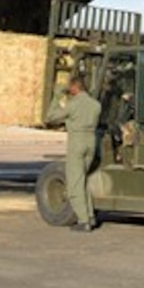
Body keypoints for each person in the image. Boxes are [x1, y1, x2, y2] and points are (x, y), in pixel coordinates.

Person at [46, 75, 101, 233]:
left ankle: (83, 221)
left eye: (70, 87)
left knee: (74, 184)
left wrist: (57, 96)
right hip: (91, 143)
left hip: (76, 143)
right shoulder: (95, 105)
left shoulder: (73, 105)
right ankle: (90, 215)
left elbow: (51, 117)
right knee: (82, 180)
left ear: (75, 87)